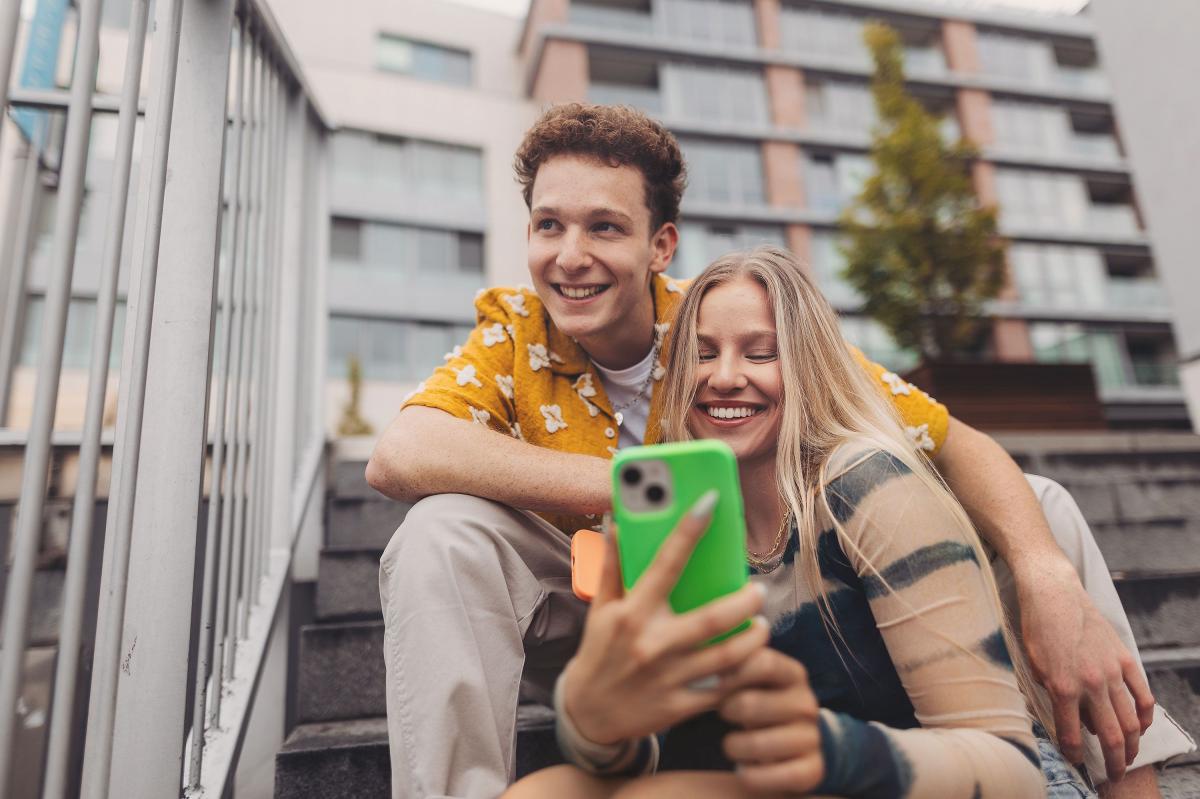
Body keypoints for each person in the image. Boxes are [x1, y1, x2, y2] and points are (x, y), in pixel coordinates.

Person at [366, 104, 1193, 798]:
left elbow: (949, 437)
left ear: (660, 244)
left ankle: (1125, 769)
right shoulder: (512, 330)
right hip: (596, 603)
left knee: (1038, 507)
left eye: (604, 226)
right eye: (549, 224)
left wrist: (1045, 572)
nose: (570, 255)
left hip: (759, 582)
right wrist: (632, 485)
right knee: (441, 531)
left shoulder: (727, 317)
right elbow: (400, 452)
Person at [505, 245, 1089, 798]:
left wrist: (831, 748)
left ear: (809, 366)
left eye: (760, 353)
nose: (724, 376)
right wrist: (594, 725)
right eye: (702, 354)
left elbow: (1013, 770)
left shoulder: (867, 484)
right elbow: (650, 753)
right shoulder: (664, 521)